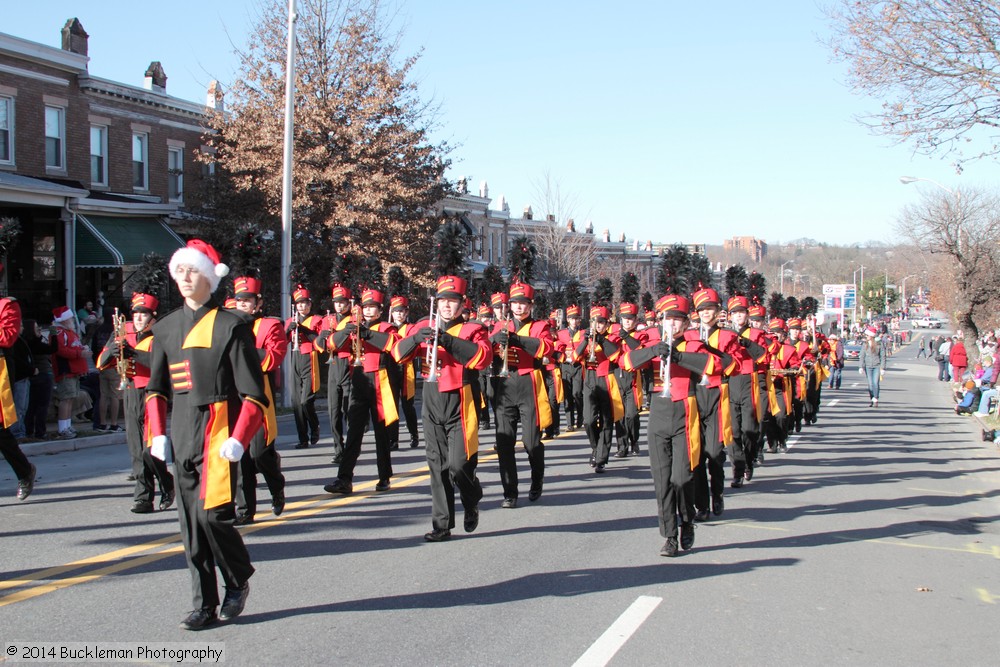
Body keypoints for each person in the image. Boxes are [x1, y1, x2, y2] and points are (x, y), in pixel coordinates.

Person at [145, 239, 267, 630]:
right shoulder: (165, 328)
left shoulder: (232, 326)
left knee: (213, 517)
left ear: (210, 278)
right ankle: (203, 603)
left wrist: (239, 436)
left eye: (192, 270)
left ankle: (238, 577)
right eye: (179, 270)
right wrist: (157, 431)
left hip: (218, 432)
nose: (184, 278)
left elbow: (254, 393)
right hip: (181, 430)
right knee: (190, 525)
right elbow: (156, 389)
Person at [391, 276, 492, 541]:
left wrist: (446, 340)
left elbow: (482, 357)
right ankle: (442, 524)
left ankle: (472, 498)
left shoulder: (473, 329)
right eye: (444, 301)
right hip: (432, 399)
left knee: (459, 466)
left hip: (461, 398)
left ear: (462, 304)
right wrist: (415, 340)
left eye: (453, 301)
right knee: (437, 466)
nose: (447, 306)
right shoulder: (423, 325)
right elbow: (397, 355)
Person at [621, 294, 717, 557]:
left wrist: (679, 357)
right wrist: (653, 351)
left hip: (685, 411)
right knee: (662, 481)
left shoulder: (695, 344)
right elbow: (625, 362)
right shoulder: (653, 343)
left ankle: (687, 520)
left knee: (682, 477)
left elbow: (713, 365)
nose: (672, 325)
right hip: (658, 413)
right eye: (667, 319)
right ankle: (670, 536)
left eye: (677, 320)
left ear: (686, 324)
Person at [97, 293, 174, 514]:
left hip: (153, 392)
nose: (139, 318)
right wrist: (111, 353)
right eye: (136, 313)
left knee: (150, 449)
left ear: (153, 316)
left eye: (144, 314)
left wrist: (134, 354)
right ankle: (143, 497)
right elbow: (101, 362)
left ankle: (166, 482)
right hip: (130, 390)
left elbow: (160, 364)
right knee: (135, 449)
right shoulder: (123, 332)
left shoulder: (161, 334)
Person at [323, 289, 400, 494]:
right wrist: (344, 332)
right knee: (354, 432)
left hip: (379, 380)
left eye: (372, 307)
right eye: (365, 307)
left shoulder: (387, 327)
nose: (367, 311)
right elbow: (329, 345)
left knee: (381, 433)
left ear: (380, 310)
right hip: (357, 379)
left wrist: (369, 334)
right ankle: (344, 478)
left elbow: (394, 344)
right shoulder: (354, 326)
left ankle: (384, 476)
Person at [490, 281, 554, 506]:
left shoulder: (540, 326)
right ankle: (510, 492)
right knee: (504, 442)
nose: (518, 307)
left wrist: (517, 339)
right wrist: (492, 341)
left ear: (531, 304)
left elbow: (547, 348)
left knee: (531, 442)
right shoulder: (501, 326)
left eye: (523, 303)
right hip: (505, 385)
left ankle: (537, 478)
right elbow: (485, 352)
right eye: (515, 303)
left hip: (529, 383)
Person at [231, 276, 288, 525]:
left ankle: (276, 486)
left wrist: (244, 351)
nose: (242, 304)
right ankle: (245, 511)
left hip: (259, 393)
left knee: (260, 453)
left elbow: (274, 357)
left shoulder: (269, 326)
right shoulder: (226, 325)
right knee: (239, 453)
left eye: (247, 300)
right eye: (239, 300)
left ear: (258, 303)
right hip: (233, 394)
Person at [574, 306, 623, 472]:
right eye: (595, 322)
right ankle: (596, 448)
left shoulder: (613, 338)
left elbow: (615, 356)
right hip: (589, 378)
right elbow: (575, 357)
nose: (598, 325)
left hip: (606, 379)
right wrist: (584, 341)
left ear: (607, 324)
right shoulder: (584, 336)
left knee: (606, 420)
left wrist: (601, 339)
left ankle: (601, 457)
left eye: (601, 322)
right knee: (588, 420)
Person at [0, 298, 36, 499]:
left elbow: (7, 337)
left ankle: (24, 471)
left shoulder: (7, 305)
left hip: (0, 375)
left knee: (0, 432)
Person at [285, 286, 324, 450]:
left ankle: (314, 427)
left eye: (305, 303)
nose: (302, 307)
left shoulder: (316, 320)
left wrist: (303, 329)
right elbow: (282, 340)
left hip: (310, 357)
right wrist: (289, 330)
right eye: (299, 304)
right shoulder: (291, 320)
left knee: (306, 400)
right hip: (295, 358)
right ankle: (303, 438)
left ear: (310, 304)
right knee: (296, 402)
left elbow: (319, 340)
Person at [318, 284, 354, 460]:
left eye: (342, 302)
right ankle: (338, 449)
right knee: (333, 412)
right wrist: (322, 337)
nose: (339, 305)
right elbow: (319, 346)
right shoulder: (328, 320)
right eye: (337, 302)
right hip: (333, 366)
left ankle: (349, 447)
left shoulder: (355, 319)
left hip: (349, 365)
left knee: (348, 410)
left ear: (348, 303)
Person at [51, 306, 90, 439]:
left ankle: (67, 426)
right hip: (66, 370)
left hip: (73, 370)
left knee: (70, 399)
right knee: (66, 399)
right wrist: (80, 353)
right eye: (71, 319)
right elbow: (60, 350)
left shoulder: (68, 332)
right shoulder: (58, 332)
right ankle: (63, 428)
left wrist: (82, 349)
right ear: (64, 320)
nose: (73, 321)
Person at [387, 296, 420, 449]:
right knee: (392, 405)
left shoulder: (412, 328)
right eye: (396, 311)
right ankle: (393, 439)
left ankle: (414, 435)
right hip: (391, 369)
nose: (398, 314)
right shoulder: (387, 327)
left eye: (401, 311)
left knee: (408, 406)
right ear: (391, 313)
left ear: (406, 313)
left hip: (407, 369)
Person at [614, 303, 646, 457]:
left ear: (635, 320)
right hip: (617, 375)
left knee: (632, 415)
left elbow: (640, 350)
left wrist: (626, 337)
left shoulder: (640, 335)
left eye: (630, 319)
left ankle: (634, 440)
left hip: (633, 377)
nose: (627, 321)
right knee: (619, 414)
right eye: (625, 318)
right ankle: (622, 446)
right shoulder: (614, 334)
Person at [23, 319, 56, 439]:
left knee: (31, 406)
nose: (40, 330)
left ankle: (29, 430)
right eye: (37, 329)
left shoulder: (25, 343)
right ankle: (40, 431)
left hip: (32, 376)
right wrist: (53, 334)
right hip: (43, 374)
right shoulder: (37, 345)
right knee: (42, 405)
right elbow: (53, 349)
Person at [558, 305, 585, 432]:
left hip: (578, 366)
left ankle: (580, 416)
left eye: (577, 318)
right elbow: (557, 347)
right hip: (565, 366)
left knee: (577, 393)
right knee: (567, 395)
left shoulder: (583, 333)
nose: (574, 321)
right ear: (568, 320)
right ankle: (570, 423)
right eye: (572, 318)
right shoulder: (561, 333)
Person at [859, 326, 887, 407]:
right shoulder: (865, 344)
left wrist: (882, 367)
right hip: (868, 366)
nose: (866, 337)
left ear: (872, 336)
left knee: (875, 383)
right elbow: (862, 356)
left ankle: (876, 398)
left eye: (868, 335)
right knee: (870, 384)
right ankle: (872, 398)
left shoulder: (879, 344)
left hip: (876, 366)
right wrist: (861, 366)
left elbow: (883, 356)